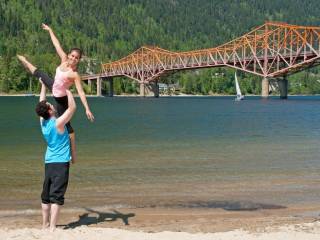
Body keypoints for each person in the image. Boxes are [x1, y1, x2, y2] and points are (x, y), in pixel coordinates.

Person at [17, 23, 94, 161]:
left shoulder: (74, 74)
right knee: (37, 72)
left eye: (76, 57)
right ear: (69, 55)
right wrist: (50, 31)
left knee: (68, 127)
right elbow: (56, 45)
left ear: (79, 60)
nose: (73, 58)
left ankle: (73, 155)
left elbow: (81, 92)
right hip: (53, 86)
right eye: (72, 55)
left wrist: (87, 109)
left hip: (61, 99)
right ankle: (23, 60)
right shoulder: (64, 59)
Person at [36, 82, 76, 231]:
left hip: (49, 162)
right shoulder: (58, 123)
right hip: (60, 163)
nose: (52, 105)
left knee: (46, 195)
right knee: (57, 196)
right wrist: (67, 91)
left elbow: (41, 103)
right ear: (50, 111)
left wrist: (43, 86)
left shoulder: (43, 123)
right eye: (50, 105)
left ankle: (44, 224)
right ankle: (52, 227)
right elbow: (72, 108)